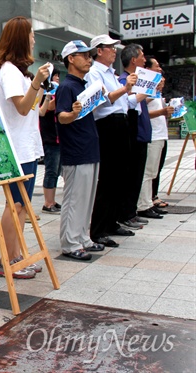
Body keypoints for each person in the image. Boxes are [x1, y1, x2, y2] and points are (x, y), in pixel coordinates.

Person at [0, 16, 50, 279]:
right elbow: (23, 108)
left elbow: (33, 107)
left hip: (25, 146)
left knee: (22, 206)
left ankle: (17, 255)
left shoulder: (17, 71)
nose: (34, 39)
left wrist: (38, 86)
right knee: (14, 205)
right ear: (20, 38)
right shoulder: (9, 71)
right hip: (15, 149)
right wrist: (37, 82)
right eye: (31, 34)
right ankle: (8, 259)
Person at [86, 34, 139, 248]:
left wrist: (139, 93)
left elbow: (125, 102)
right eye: (110, 47)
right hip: (107, 125)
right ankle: (98, 229)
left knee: (120, 176)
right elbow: (101, 100)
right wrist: (125, 89)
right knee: (107, 179)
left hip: (121, 122)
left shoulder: (111, 74)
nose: (114, 51)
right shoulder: (94, 73)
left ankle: (112, 221)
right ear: (99, 50)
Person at [56, 40, 104, 260]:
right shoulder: (67, 87)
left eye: (89, 55)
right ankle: (70, 243)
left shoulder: (84, 85)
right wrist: (73, 113)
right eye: (83, 55)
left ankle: (83, 237)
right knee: (74, 198)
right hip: (76, 152)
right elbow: (61, 117)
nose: (89, 59)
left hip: (89, 148)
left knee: (87, 198)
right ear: (71, 59)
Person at [117, 44, 160, 225]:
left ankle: (131, 211)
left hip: (141, 133)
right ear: (133, 60)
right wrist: (145, 91)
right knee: (130, 176)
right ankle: (126, 213)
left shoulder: (136, 81)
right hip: (132, 135)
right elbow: (127, 103)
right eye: (142, 56)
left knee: (138, 175)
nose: (144, 60)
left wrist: (151, 90)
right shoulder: (124, 81)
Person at [138, 57, 174, 215]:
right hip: (151, 134)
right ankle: (143, 205)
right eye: (156, 66)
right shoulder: (144, 85)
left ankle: (149, 201)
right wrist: (154, 90)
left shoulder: (156, 89)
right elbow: (140, 106)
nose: (159, 69)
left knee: (153, 171)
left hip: (160, 134)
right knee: (148, 171)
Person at [39, 67, 62, 214]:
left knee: (57, 170)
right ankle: (47, 203)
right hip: (49, 137)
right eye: (55, 76)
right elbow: (45, 110)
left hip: (58, 137)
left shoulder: (56, 92)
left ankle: (52, 200)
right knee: (51, 170)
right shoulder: (45, 94)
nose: (58, 79)